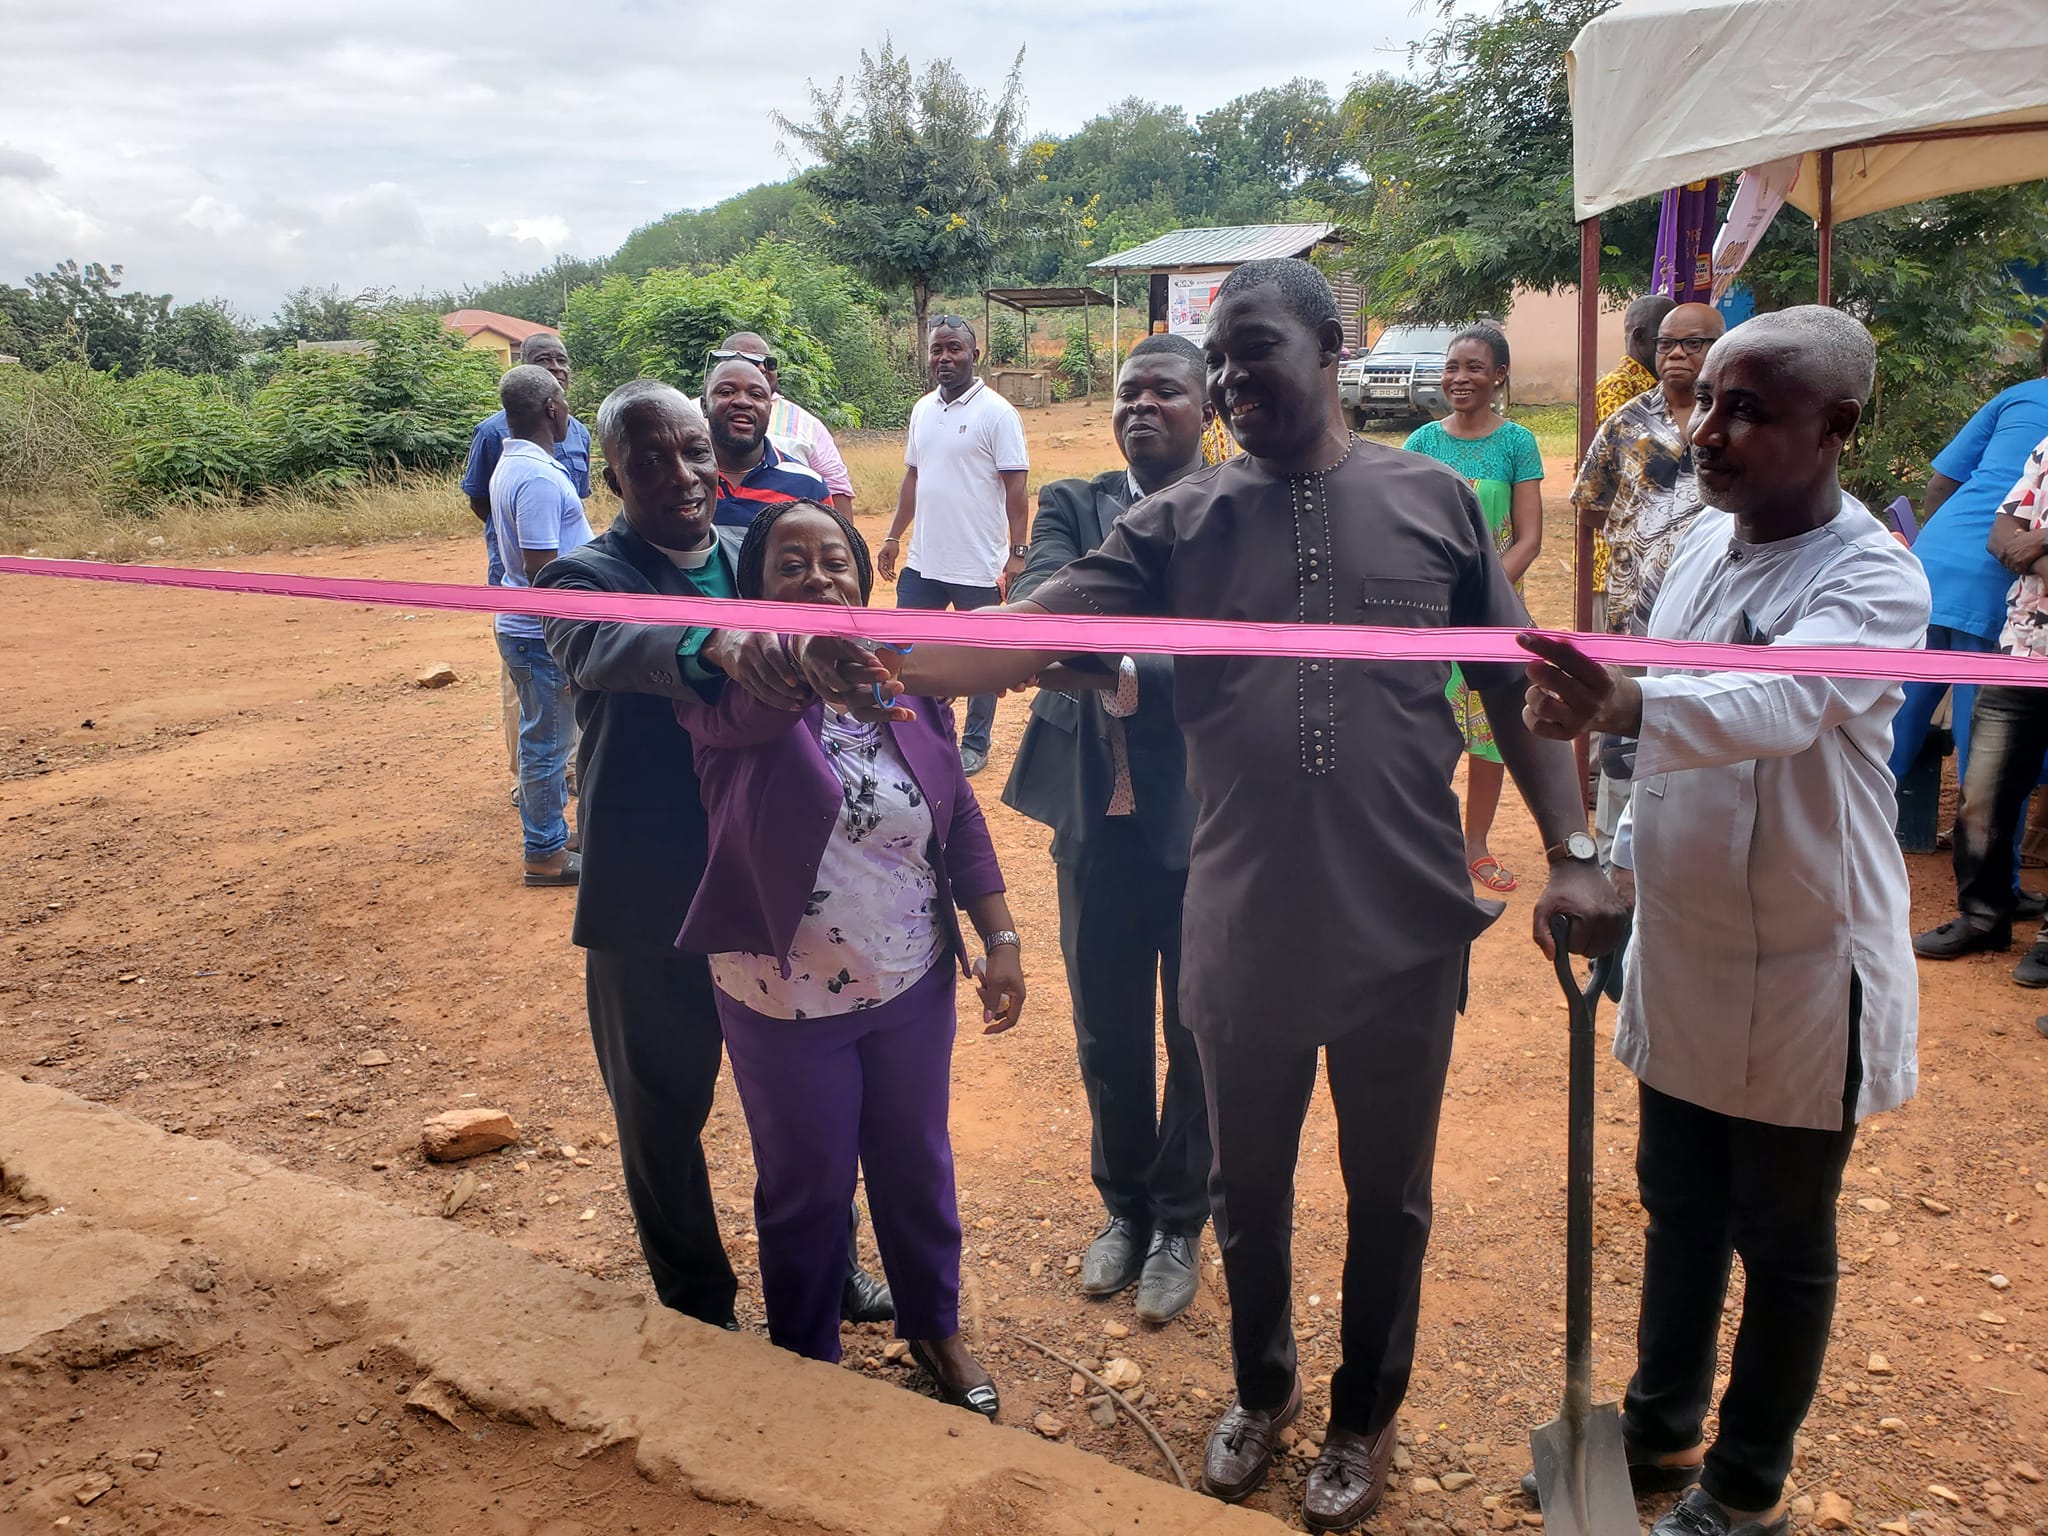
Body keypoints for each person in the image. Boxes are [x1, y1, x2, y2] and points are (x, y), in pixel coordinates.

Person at [792, 258, 1627, 1533]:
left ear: (1331, 347)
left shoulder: (1434, 503)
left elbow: (1509, 684)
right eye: (1217, 361)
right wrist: (883, 665)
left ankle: (1362, 1414)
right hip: (1239, 920)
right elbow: (1037, 622)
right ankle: (1261, 1388)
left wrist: (1569, 840)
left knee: (1385, 1195)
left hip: (1405, 920)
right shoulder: (1182, 525)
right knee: (1248, 1188)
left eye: (1252, 352)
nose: (1232, 380)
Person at [1521, 306, 1927, 1536]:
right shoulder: (1702, 543)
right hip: (1682, 938)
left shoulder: (1871, 578)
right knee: (1676, 1200)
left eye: (1743, 409)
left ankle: (1743, 1491)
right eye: (1704, 404)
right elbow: (1653, 748)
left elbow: (1775, 705)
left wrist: (1625, 698)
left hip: (1805, 964)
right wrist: (1601, 868)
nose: (1705, 430)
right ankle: (1655, 1426)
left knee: (1780, 1234)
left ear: (1834, 429)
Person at [535, 381, 891, 1331]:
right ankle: (698, 1307)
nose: (681, 475)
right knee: (661, 1117)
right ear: (610, 470)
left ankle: (832, 1268)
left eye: (692, 452)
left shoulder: (754, 553)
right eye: (649, 459)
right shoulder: (580, 579)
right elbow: (600, 649)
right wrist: (721, 644)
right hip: (651, 893)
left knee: (810, 1100)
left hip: (775, 883)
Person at [673, 499, 1023, 1420]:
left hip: (910, 979)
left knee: (916, 1163)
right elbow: (759, 684)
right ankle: (804, 1359)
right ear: (756, 591)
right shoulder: (731, 695)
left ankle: (935, 1331)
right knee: (808, 1185)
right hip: (781, 998)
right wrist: (794, 655)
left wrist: (1000, 935)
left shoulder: (907, 691)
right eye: (792, 564)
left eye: (835, 561)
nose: (819, 576)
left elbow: (962, 818)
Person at [1004, 333, 1209, 1325]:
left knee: (1198, 1029)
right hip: (1091, 807)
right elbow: (1031, 613)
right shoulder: (1071, 504)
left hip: (1211, 814)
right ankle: (1123, 1208)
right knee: (1106, 1028)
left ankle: (1179, 1222)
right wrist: (1139, 653)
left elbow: (1232, 654)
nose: (1140, 406)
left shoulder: (1237, 510)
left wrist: (1118, 667)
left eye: (1164, 391)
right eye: (1126, 393)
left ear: (1205, 409)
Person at [1901, 334, 2048, 962]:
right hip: (2005, 602)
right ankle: (1998, 896)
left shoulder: (2018, 397)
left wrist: (1936, 552)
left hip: (1932, 574)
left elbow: (1941, 487)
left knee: (1888, 724)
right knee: (1992, 760)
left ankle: (1821, 857)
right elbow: (2008, 523)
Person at [1572, 301, 1726, 868]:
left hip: (1714, 618)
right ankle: (1617, 867)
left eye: (1693, 343)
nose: (1677, 354)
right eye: (1666, 344)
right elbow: (1590, 507)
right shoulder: (1627, 422)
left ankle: (1685, 860)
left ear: (1720, 350)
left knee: (1697, 724)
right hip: (1633, 616)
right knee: (1625, 735)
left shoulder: (1734, 425)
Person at [1403, 327, 1544, 893]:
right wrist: (1434, 603)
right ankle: (1427, 841)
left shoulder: (1518, 444)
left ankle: (1475, 844)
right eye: (1452, 367)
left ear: (1499, 376)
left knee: (1491, 734)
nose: (1460, 378)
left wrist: (1479, 599)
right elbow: (1405, 532)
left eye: (1475, 368)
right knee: (1425, 725)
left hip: (1494, 617)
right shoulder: (1421, 444)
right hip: (1428, 616)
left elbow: (1528, 539)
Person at [876, 317, 1031, 777]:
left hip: (977, 567)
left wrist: (1017, 553)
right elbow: (913, 478)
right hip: (924, 562)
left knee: (985, 660)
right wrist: (892, 536)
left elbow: (1017, 491)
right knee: (902, 650)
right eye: (936, 350)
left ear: (974, 354)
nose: (944, 357)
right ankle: (914, 731)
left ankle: (976, 743)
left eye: (954, 349)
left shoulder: (998, 414)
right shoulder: (922, 409)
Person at [1936, 430, 2048, 1011]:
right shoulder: (2046, 448)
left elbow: (2024, 541)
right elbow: (2001, 535)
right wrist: (2025, 546)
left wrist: (2039, 541)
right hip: (2023, 651)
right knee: (1982, 794)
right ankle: (1984, 916)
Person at [461, 333, 592, 800]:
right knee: (541, 727)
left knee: (555, 718)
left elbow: (576, 504)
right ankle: (543, 833)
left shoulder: (567, 438)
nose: (557, 368)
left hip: (546, 612)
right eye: (544, 361)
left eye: (561, 359)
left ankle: (560, 784)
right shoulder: (516, 457)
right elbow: (543, 571)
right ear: (550, 408)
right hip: (538, 618)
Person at [490, 364, 593, 886]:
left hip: (532, 630)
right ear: (552, 409)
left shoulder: (519, 464)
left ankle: (553, 833)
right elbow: (542, 570)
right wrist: (570, 644)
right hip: (540, 634)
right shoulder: (534, 477)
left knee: (551, 738)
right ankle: (545, 853)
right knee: (548, 744)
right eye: (564, 402)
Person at [1589, 295, 1677, 632]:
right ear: (1640, 338)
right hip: (1618, 557)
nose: (1674, 352)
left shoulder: (1658, 388)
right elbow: (1643, 471)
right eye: (1664, 341)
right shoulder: (1619, 391)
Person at [708, 332, 856, 514]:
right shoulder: (686, 418)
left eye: (769, 363)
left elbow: (837, 489)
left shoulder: (807, 425)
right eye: (750, 360)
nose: (762, 368)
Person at [704, 357, 830, 529]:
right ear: (704, 406)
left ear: (769, 410)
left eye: (756, 395)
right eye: (727, 392)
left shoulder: (808, 485)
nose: (743, 401)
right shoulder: (679, 477)